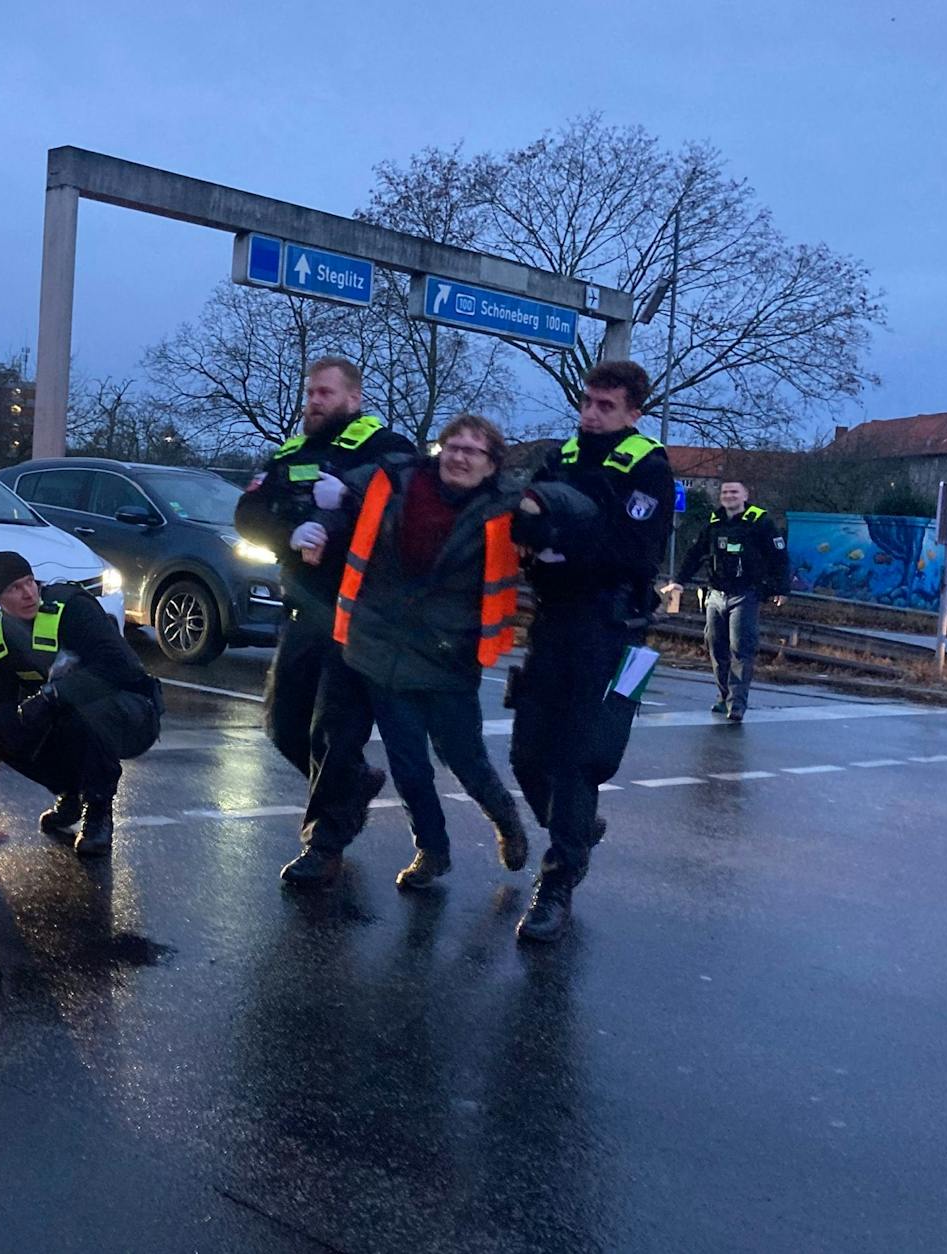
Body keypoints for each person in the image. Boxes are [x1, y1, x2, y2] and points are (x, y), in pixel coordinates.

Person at [309, 412, 531, 889]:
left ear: (492, 464)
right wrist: (322, 520)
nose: (459, 457)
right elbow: (342, 493)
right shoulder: (398, 477)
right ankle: (432, 849)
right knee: (409, 765)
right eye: (452, 446)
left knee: (464, 758)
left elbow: (549, 530)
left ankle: (505, 818)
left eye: (473, 450)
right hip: (382, 647)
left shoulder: (504, 507)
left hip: (448, 654)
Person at [507, 360, 674, 943]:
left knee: (580, 755)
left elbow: (632, 548)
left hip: (608, 625)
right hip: (553, 620)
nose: (592, 414)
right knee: (527, 755)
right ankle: (575, 829)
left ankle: (558, 882)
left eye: (606, 406)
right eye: (588, 402)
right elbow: (525, 516)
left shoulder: (648, 468)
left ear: (633, 412)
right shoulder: (563, 457)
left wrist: (565, 548)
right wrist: (532, 546)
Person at [233, 355, 416, 886]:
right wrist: (290, 531)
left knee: (333, 733)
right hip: (305, 611)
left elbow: (403, 511)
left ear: (354, 399)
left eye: (326, 394)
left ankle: (324, 843)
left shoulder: (387, 449)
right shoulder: (290, 453)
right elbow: (248, 514)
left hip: (362, 617)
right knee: (284, 727)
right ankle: (354, 786)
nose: (314, 402)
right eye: (311, 392)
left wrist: (341, 521)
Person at [0, 550, 162, 857]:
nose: (28, 593)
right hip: (66, 719)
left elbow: (123, 668)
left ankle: (98, 809)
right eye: (14, 588)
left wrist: (54, 695)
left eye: (29, 582)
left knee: (79, 709)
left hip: (130, 712)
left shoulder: (71, 607)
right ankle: (69, 793)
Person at [662, 482, 788, 722]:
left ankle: (737, 704)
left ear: (745, 495)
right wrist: (679, 581)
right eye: (725, 493)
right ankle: (724, 696)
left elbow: (779, 557)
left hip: (745, 594)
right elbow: (696, 553)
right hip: (715, 593)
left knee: (741, 648)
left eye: (734, 492)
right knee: (715, 646)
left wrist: (780, 589)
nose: (729, 496)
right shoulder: (714, 522)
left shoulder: (759, 522)